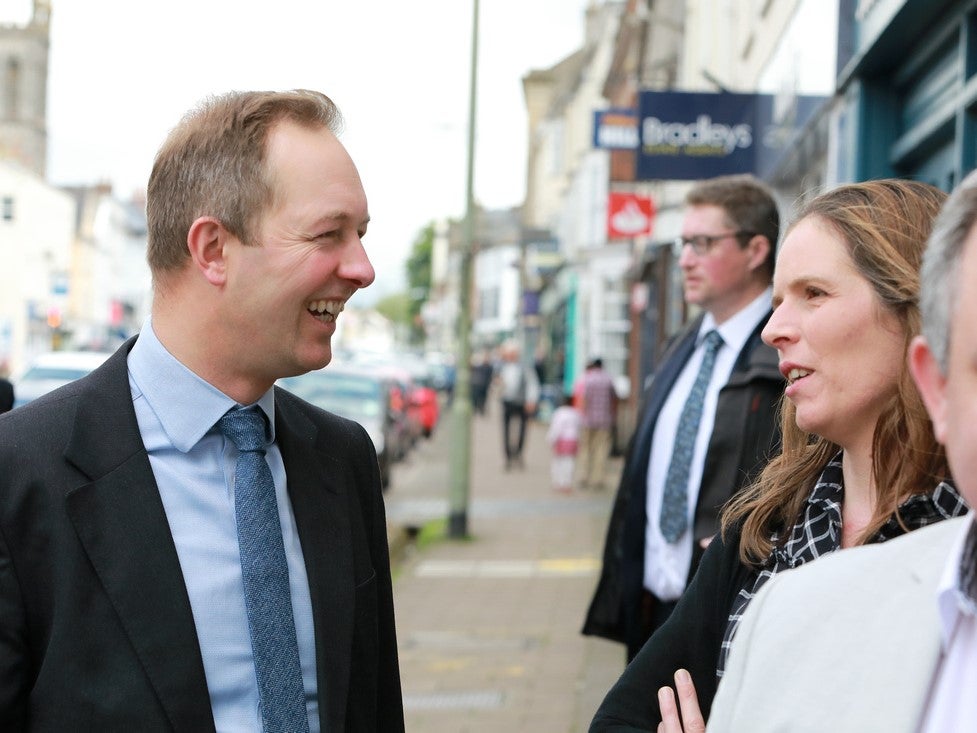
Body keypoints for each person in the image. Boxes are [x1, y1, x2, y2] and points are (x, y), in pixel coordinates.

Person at [0, 90, 404, 731]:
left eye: (360, 235)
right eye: (329, 234)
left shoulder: (344, 458)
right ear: (213, 249)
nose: (362, 268)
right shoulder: (21, 473)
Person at [594, 179, 967, 731]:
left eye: (813, 293)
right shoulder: (763, 528)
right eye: (775, 303)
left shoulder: (962, 540)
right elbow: (620, 718)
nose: (773, 330)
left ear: (912, 306)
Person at [583, 174, 785, 662]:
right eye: (684, 243)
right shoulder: (681, 347)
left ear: (756, 250)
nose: (686, 259)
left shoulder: (782, 357)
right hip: (651, 610)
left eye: (703, 243)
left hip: (726, 621)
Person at [496, 340, 540, 470]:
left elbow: (532, 384)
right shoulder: (501, 367)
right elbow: (496, 385)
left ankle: (519, 453)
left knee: (522, 430)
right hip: (507, 401)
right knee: (506, 430)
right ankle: (508, 456)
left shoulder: (525, 367)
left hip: (521, 402)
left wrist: (531, 400)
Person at [577, 357, 618, 490]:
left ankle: (584, 476)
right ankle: (598, 479)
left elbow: (584, 399)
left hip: (588, 420)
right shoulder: (608, 379)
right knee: (601, 449)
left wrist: (583, 415)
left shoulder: (588, 379)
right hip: (605, 420)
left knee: (586, 449)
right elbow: (614, 398)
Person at [547, 392, 582, 494]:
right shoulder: (575, 413)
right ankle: (566, 483)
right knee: (569, 462)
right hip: (573, 440)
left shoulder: (559, 413)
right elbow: (579, 428)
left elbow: (556, 428)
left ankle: (558, 482)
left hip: (561, 440)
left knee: (558, 461)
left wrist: (551, 439)